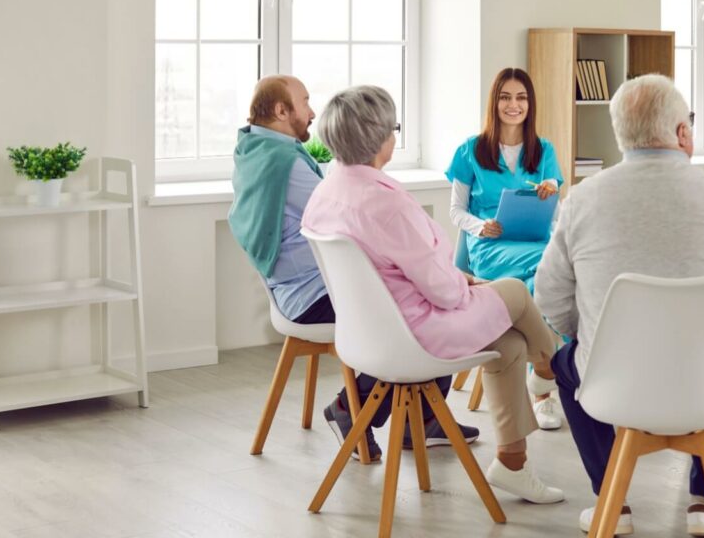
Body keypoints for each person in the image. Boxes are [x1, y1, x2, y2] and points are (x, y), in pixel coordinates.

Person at [534, 74, 704, 536]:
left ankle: (612, 503)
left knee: (566, 364)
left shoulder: (582, 199)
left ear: (620, 133)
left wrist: (587, 336)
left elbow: (550, 295)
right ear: (682, 133)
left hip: (613, 383)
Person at [302, 84, 566, 504]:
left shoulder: (326, 193)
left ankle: (513, 462)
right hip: (420, 333)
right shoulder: (388, 204)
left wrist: (463, 281)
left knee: (511, 342)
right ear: (380, 137)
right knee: (515, 290)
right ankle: (558, 370)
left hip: (368, 335)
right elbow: (444, 293)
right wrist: (464, 283)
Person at [228, 75, 478, 462]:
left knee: (411, 293)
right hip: (311, 295)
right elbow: (348, 216)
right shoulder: (284, 162)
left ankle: (421, 418)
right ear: (281, 110)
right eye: (304, 102)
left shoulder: (254, 150)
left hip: (292, 289)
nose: (312, 112)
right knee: (414, 308)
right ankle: (356, 408)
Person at [446, 68, 566, 430]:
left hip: (536, 242)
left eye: (521, 98)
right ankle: (544, 388)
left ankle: (546, 378)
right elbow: (456, 211)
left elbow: (556, 217)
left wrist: (551, 191)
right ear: (494, 102)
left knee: (550, 271)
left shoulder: (543, 150)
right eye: (505, 97)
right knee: (550, 269)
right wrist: (480, 226)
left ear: (530, 105)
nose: (513, 105)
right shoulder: (470, 151)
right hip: (491, 247)